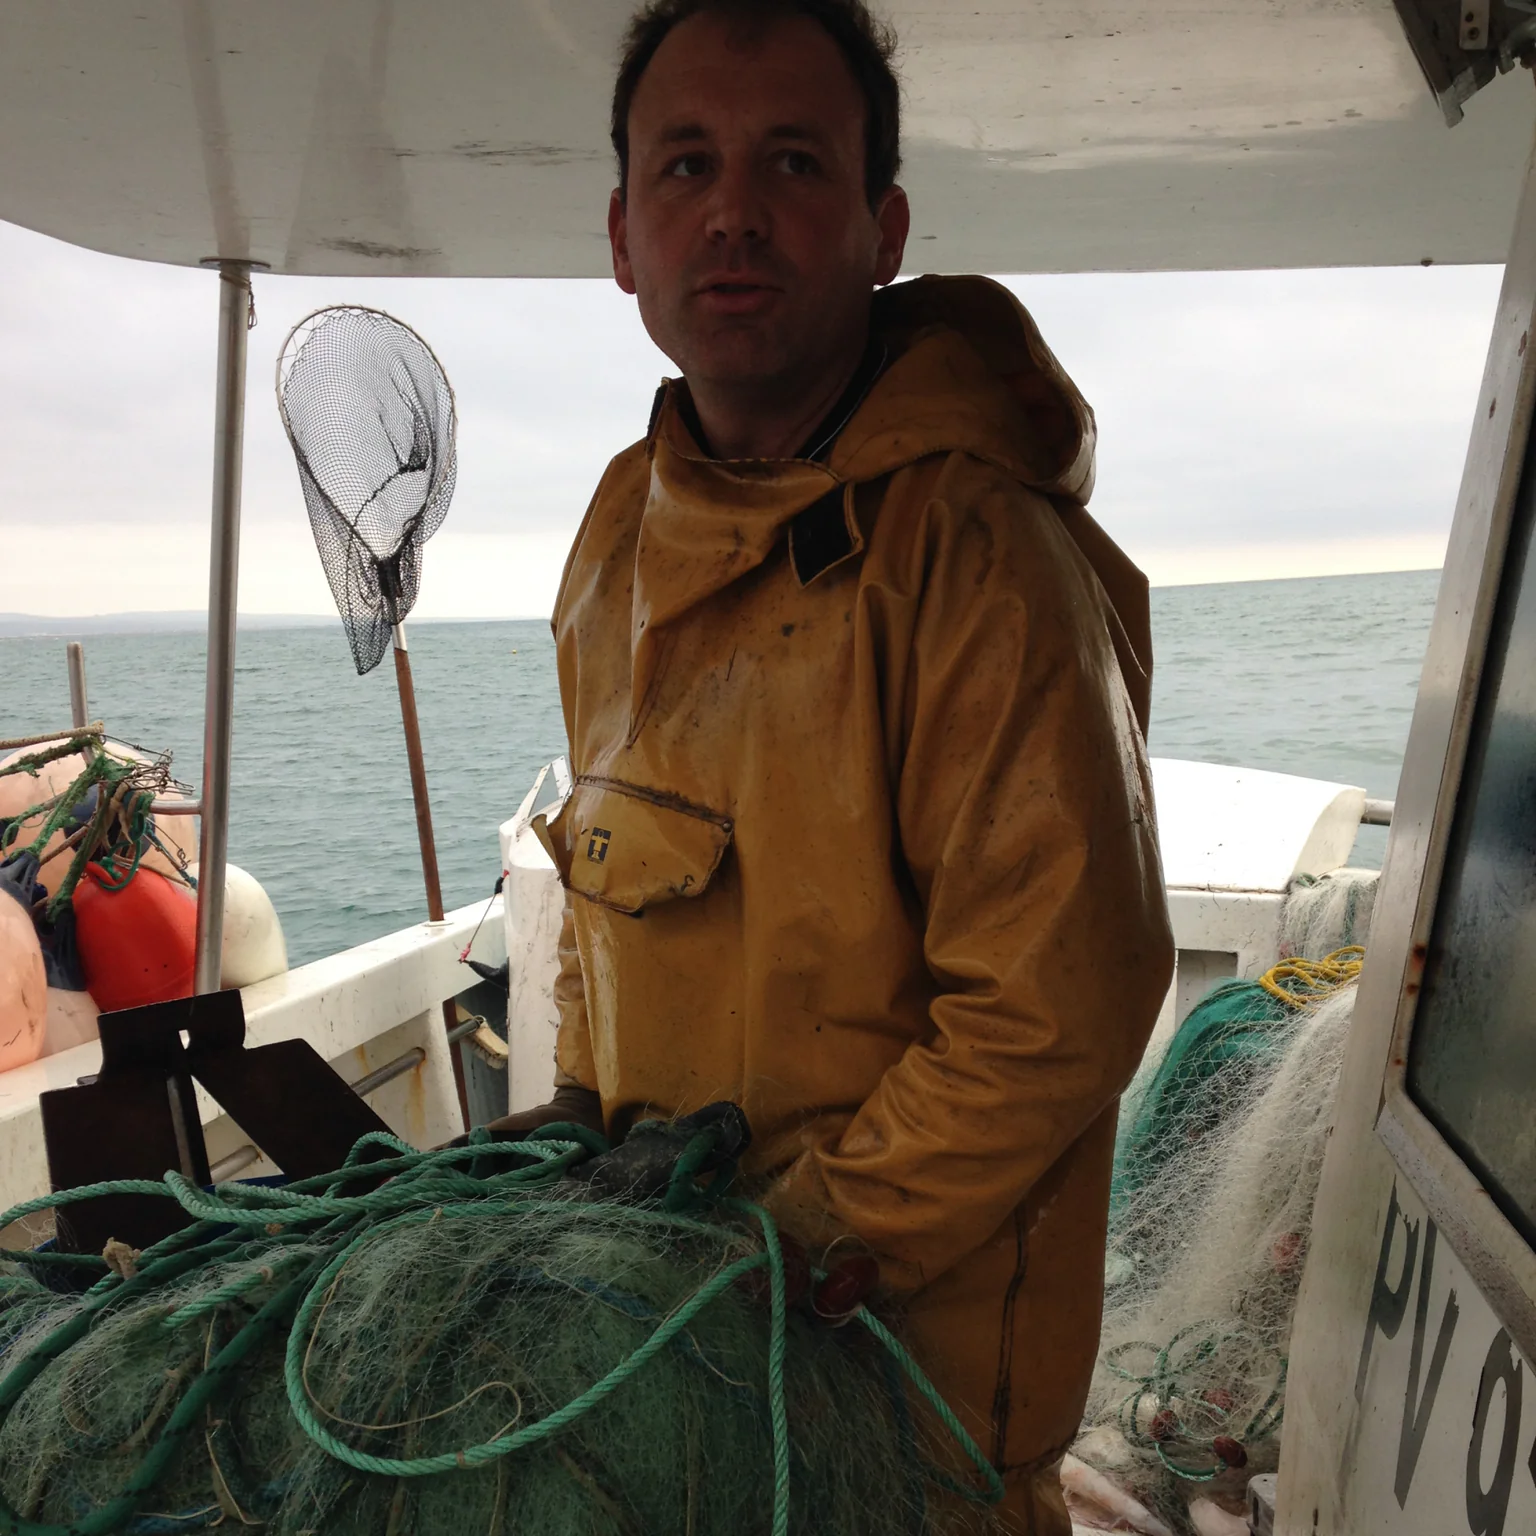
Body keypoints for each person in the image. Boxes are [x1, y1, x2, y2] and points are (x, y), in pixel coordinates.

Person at [490, 1, 1174, 1527]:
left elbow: (1055, 1011)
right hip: (683, 1355)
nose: (731, 210)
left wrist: (800, 1242)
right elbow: (610, 903)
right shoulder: (618, 534)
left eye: (795, 162)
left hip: (903, 1408)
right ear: (622, 234)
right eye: (686, 165)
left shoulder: (975, 555)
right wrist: (582, 1128)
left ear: (881, 228)